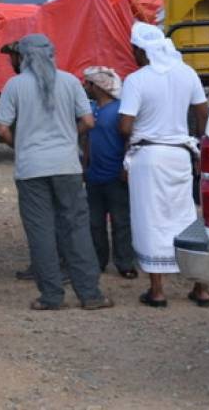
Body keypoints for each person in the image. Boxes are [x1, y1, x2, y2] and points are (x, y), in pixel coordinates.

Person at [0, 34, 113, 311]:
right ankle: (91, 295)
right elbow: (88, 121)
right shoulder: (70, 82)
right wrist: (70, 137)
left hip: (31, 169)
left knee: (41, 232)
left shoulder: (14, 85)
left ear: (24, 57)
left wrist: (20, 145)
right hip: (66, 166)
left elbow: (1, 129)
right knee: (76, 229)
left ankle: (51, 296)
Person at [119, 22, 209, 308]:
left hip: (148, 158)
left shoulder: (136, 80)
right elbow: (202, 112)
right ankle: (201, 287)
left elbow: (125, 126)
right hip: (180, 155)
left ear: (141, 50)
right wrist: (199, 145)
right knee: (185, 216)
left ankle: (157, 291)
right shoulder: (187, 73)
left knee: (150, 220)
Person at [82, 66, 136, 279]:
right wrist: (85, 165)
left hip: (115, 175)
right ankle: (99, 261)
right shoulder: (91, 110)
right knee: (95, 222)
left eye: (88, 83)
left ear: (98, 87)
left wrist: (126, 166)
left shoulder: (120, 111)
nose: (85, 87)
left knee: (121, 221)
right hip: (94, 176)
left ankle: (125, 262)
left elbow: (128, 139)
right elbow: (88, 140)